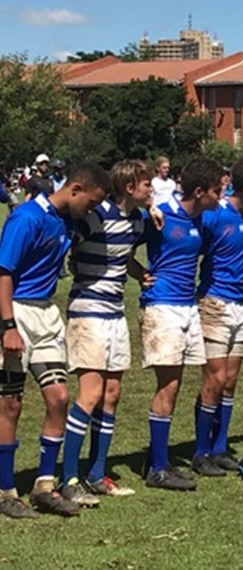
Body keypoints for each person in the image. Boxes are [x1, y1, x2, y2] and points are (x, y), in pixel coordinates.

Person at [0, 163, 110, 518]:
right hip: (16, 312)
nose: (90, 211)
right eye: (90, 204)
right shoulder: (26, 218)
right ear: (75, 189)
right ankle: (5, 491)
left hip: (47, 314)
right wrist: (7, 326)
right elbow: (3, 273)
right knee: (10, 404)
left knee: (59, 397)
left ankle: (45, 485)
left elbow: (122, 204)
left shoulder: (68, 220)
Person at [60, 160, 152, 506]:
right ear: (129, 187)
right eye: (146, 186)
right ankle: (69, 478)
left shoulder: (136, 220)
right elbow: (70, 243)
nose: (151, 190)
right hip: (88, 311)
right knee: (90, 393)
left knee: (111, 393)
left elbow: (123, 255)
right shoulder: (97, 215)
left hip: (115, 312)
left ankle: (96, 474)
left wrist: (139, 272)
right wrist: (72, 263)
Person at [136, 158, 222, 490]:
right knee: (168, 385)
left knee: (178, 383)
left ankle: (159, 459)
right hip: (162, 306)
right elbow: (120, 238)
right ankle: (158, 467)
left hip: (188, 307)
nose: (221, 195)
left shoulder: (204, 217)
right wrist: (138, 273)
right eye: (217, 190)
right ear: (199, 192)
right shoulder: (160, 214)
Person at [191, 156, 243, 477]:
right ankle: (201, 453)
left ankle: (220, 446)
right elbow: (191, 248)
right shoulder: (213, 214)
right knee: (213, 380)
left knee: (230, 381)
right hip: (215, 303)